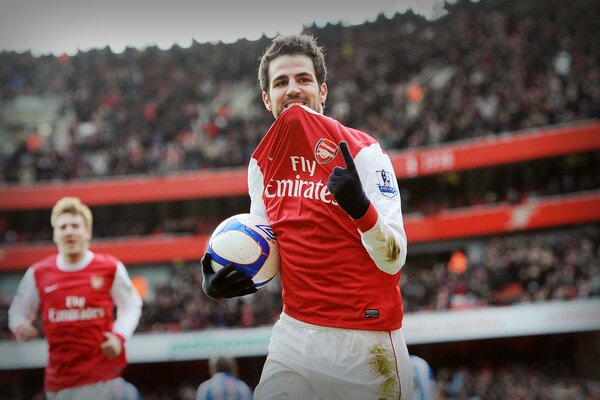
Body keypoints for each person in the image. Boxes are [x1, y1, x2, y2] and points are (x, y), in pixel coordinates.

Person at [201, 34, 413, 399]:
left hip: (365, 343)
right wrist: (220, 279)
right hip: (294, 337)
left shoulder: (364, 153)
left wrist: (361, 209)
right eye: (281, 82)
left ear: (323, 90)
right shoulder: (260, 163)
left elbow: (394, 259)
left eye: (303, 79)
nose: (293, 89)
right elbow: (266, 250)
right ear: (267, 99)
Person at [8, 197, 143, 400]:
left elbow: (132, 304)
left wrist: (119, 336)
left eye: (75, 226)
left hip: (101, 376)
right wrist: (20, 326)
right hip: (59, 380)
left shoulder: (109, 267)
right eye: (63, 227)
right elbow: (17, 311)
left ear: (87, 232)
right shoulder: (38, 273)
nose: (69, 231)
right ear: (55, 234)